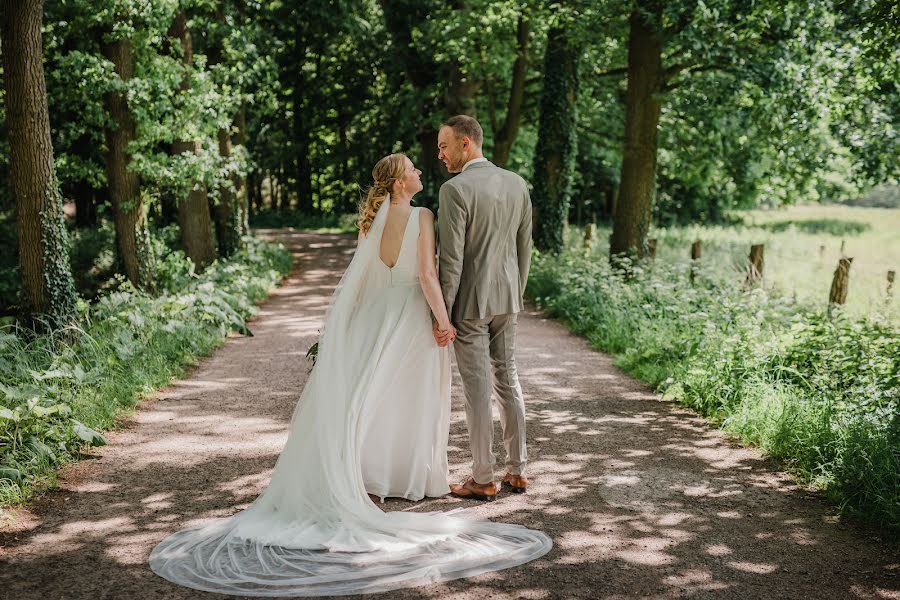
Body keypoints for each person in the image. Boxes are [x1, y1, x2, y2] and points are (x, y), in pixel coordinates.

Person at [149, 153, 551, 597]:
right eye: (414, 170)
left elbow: (362, 281)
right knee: (413, 394)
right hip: (411, 313)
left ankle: (373, 474)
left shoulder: (371, 220)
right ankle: (412, 477)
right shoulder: (423, 215)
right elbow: (427, 275)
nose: (421, 172)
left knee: (372, 394)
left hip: (378, 314)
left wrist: (350, 328)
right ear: (400, 183)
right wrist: (443, 319)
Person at [436, 115, 533, 503]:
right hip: (507, 299)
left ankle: (482, 477)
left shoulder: (454, 189)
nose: (439, 153)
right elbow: (524, 248)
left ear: (466, 143)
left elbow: (452, 261)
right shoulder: (516, 183)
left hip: (470, 304)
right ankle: (518, 470)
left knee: (478, 391)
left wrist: (442, 313)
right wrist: (515, 292)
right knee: (507, 380)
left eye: (444, 145)